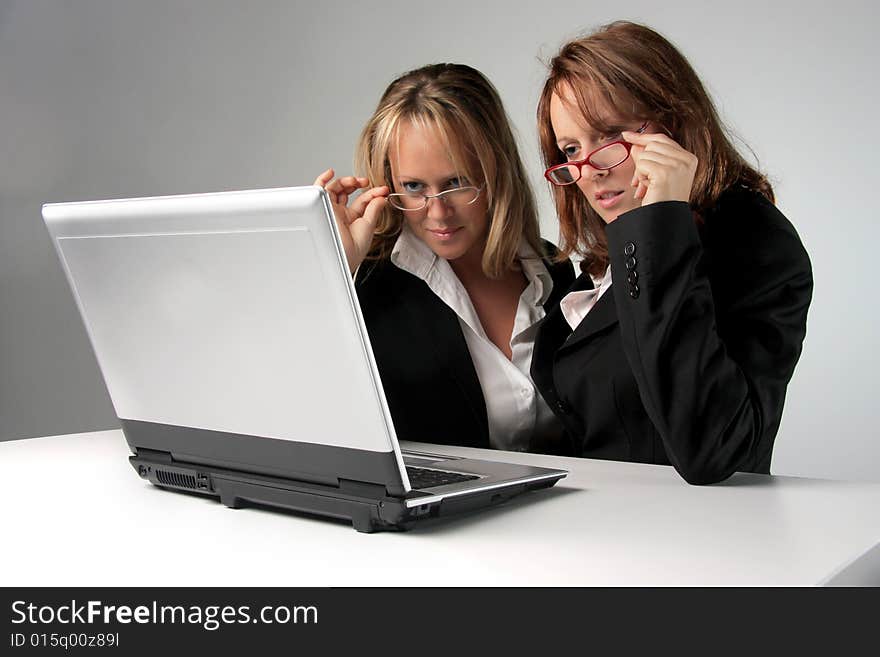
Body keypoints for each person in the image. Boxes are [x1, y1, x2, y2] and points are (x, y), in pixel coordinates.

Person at [531, 21, 813, 484]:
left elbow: (710, 449)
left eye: (609, 134)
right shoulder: (604, 261)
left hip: (699, 540)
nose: (590, 169)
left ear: (674, 123)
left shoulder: (754, 242)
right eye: (570, 148)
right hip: (595, 534)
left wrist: (661, 217)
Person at [315, 63, 575, 451]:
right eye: (414, 186)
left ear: (497, 172)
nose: (437, 213)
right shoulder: (368, 282)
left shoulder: (554, 269)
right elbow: (312, 415)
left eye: (456, 182)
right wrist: (332, 266)